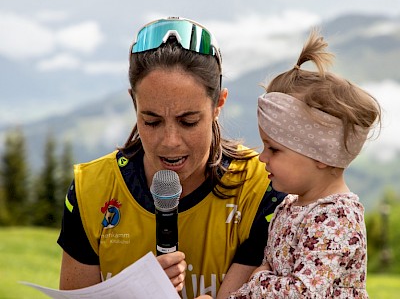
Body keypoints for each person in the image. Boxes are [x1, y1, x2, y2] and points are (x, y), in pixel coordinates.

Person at [57, 16, 285, 299]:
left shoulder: (262, 186)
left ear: (218, 105)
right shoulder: (91, 190)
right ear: (134, 102)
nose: (170, 142)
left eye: (188, 121)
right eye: (151, 121)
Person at [222, 28, 382, 298]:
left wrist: (259, 280)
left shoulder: (336, 217)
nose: (262, 157)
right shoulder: (291, 205)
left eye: (274, 149)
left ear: (321, 155)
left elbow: (303, 293)